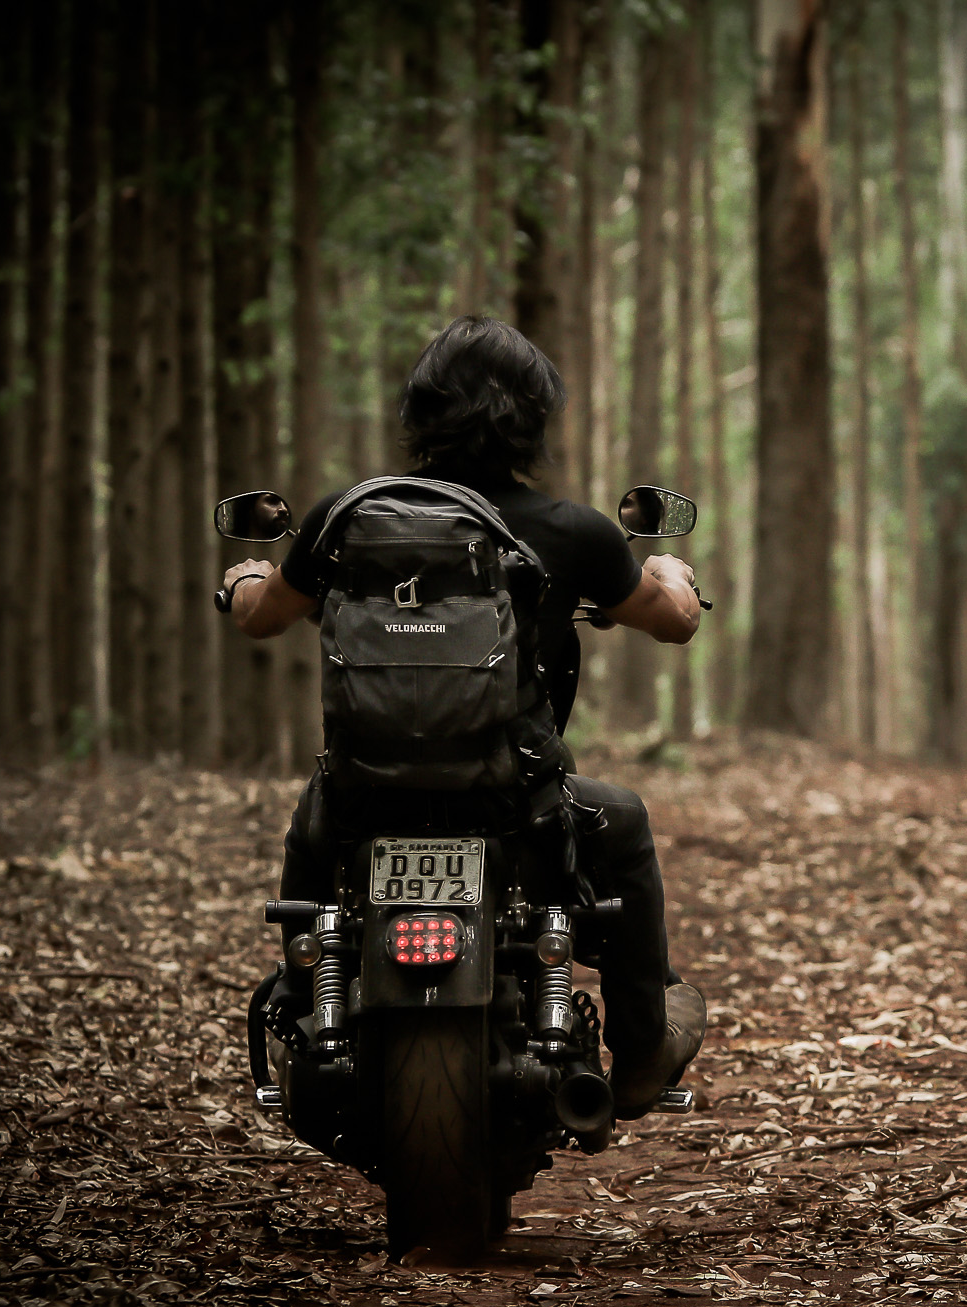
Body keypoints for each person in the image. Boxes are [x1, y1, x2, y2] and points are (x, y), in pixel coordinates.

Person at [221, 315, 706, 1120]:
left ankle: (308, 1009)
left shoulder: (348, 515)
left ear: (419, 414)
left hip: (366, 793)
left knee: (312, 834)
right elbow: (674, 621)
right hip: (518, 795)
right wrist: (668, 568)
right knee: (621, 822)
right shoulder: (573, 529)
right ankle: (644, 1050)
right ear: (535, 417)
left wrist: (243, 576)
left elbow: (265, 615)